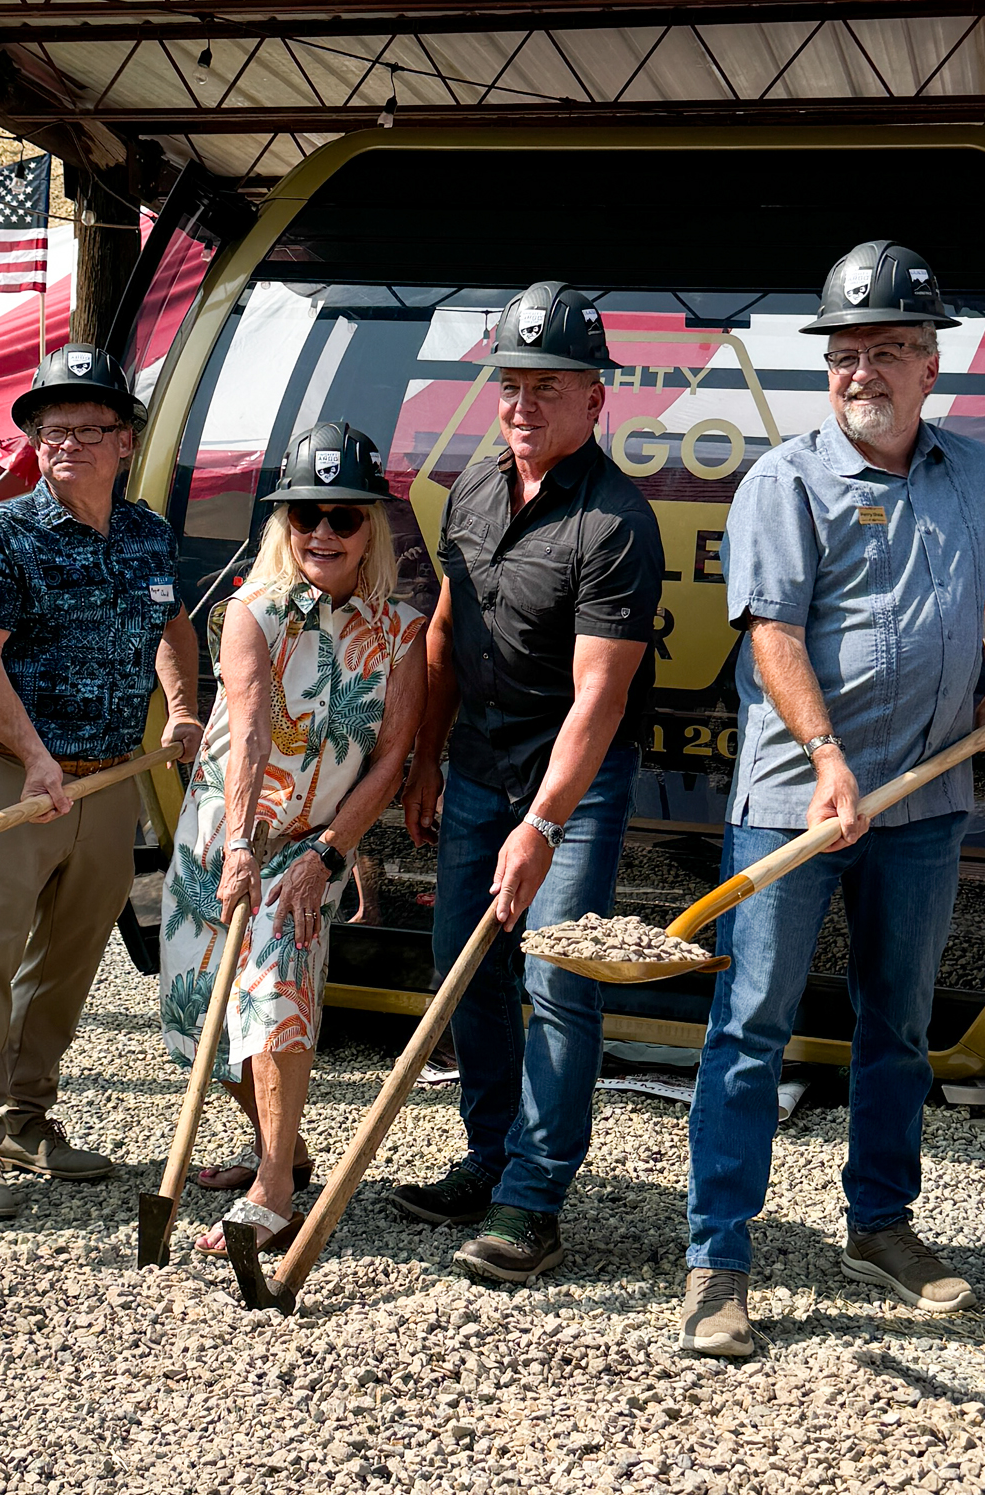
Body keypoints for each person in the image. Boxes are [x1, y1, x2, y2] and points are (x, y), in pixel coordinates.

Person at [678, 242, 985, 1357]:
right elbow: (773, 635)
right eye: (844, 354)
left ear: (933, 366)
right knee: (752, 1029)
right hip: (797, 803)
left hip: (925, 807)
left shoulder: (978, 474)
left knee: (899, 1027)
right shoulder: (783, 484)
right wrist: (828, 756)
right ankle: (715, 1260)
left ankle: (879, 1223)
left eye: (887, 350)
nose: (861, 372)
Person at [391, 281, 665, 1283]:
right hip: (477, 768)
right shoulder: (470, 486)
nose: (520, 406)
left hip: (574, 787)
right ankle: (489, 1152)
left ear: (596, 400)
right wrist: (426, 760)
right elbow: (443, 637)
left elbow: (598, 700)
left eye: (545, 388)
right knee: (464, 964)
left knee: (558, 980)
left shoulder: (618, 524)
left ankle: (532, 1201)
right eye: (509, 385)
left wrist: (542, 825)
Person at [0, 344, 204, 1220]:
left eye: (89, 429)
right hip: (14, 778)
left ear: (126, 441)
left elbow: (172, 627)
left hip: (112, 779)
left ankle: (28, 1117)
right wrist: (34, 754)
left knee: (69, 960)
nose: (68, 445)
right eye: (52, 430)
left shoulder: (148, 533)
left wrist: (182, 707)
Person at [160, 422, 426, 1252]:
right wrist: (239, 843)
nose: (322, 531)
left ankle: (275, 1190)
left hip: (312, 844)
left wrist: (327, 853)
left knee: (275, 1000)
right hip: (223, 833)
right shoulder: (252, 611)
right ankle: (286, 1147)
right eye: (304, 512)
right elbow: (246, 734)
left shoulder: (403, 631)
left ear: (370, 527)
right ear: (284, 524)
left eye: (342, 516)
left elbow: (389, 760)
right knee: (198, 1013)